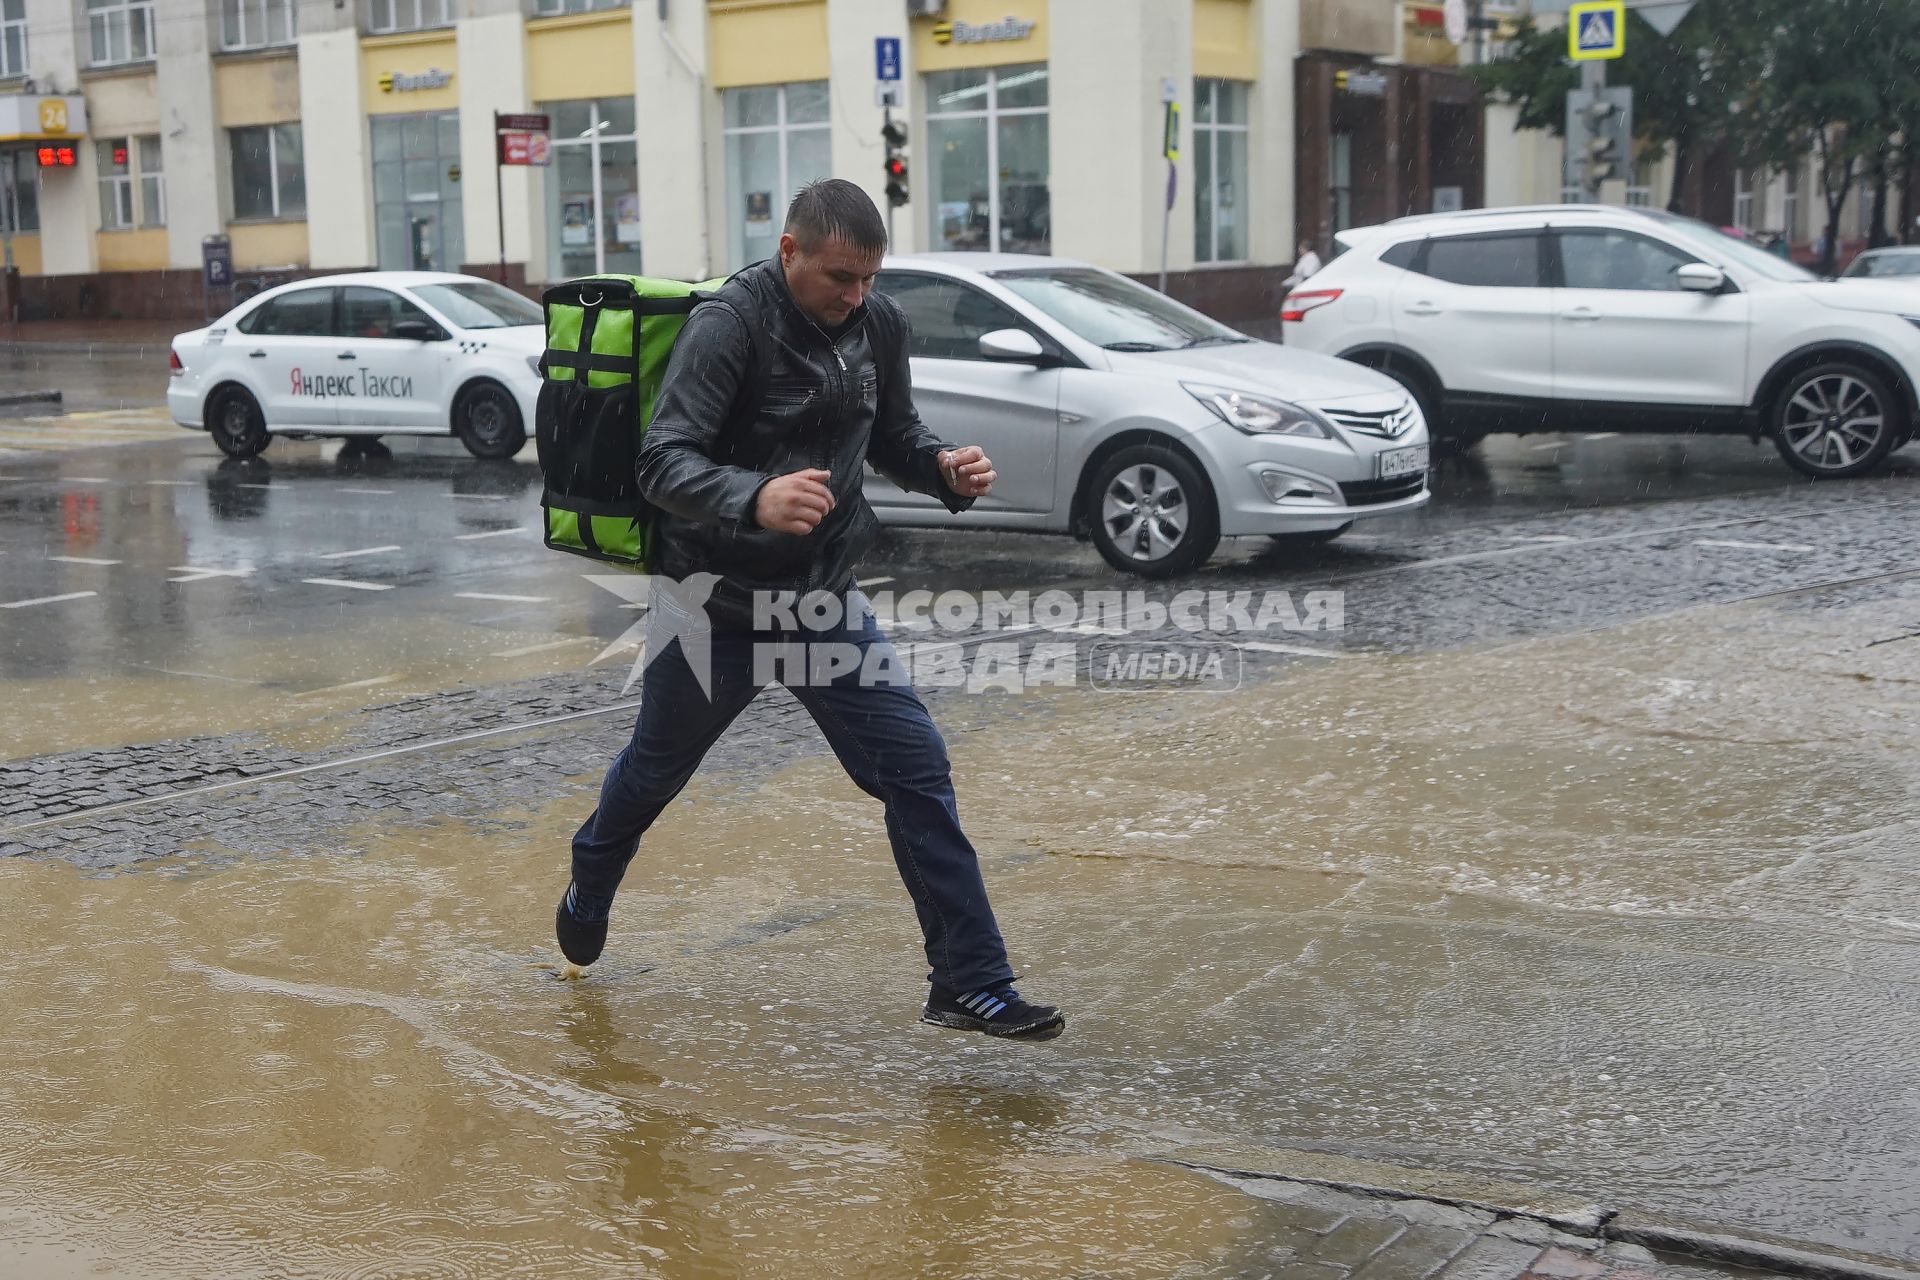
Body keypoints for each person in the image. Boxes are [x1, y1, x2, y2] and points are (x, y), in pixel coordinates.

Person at [554, 179, 1065, 1042]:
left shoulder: (879, 324)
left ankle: (970, 981)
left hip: (821, 601)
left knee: (916, 766)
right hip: (710, 606)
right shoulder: (729, 326)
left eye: (869, 278)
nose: (856, 297)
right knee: (653, 772)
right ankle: (593, 869)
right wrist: (754, 496)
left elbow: (895, 433)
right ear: (788, 252)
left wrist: (943, 466)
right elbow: (660, 463)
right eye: (839, 277)